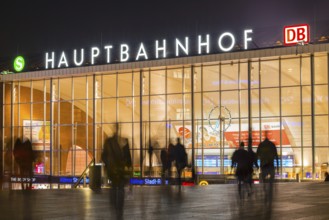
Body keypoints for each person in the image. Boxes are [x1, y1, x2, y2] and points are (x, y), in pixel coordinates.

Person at [257, 131, 279, 202]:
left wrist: (258, 166)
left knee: (264, 180)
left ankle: (265, 190)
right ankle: (270, 190)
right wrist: (278, 167)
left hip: (264, 166)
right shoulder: (272, 144)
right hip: (271, 165)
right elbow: (276, 156)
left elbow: (257, 155)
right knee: (271, 180)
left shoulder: (261, 145)